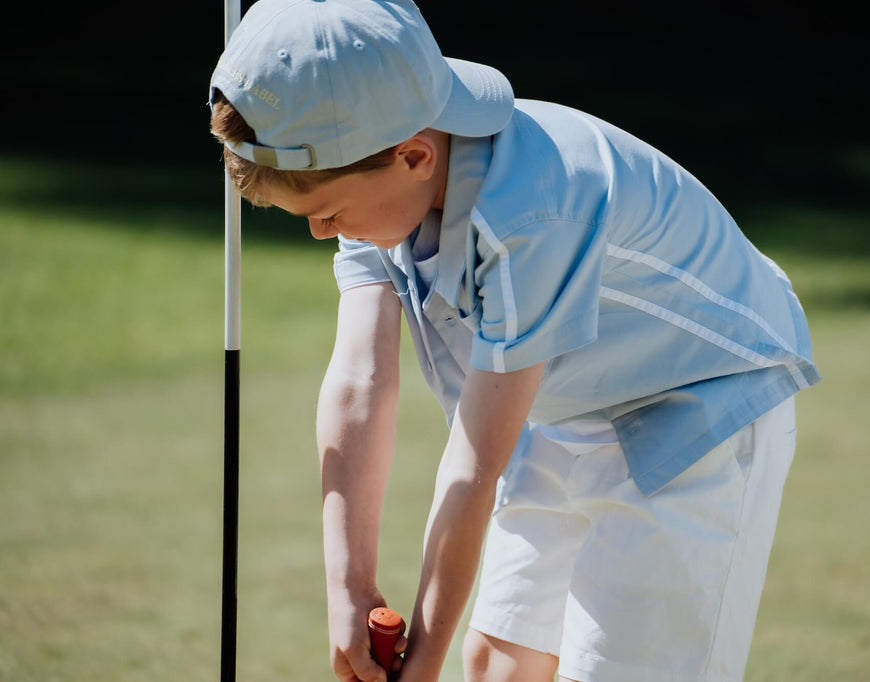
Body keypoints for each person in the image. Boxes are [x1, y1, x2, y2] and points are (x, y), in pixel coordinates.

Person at [208, 1, 822, 680]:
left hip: (700, 404)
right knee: (502, 665)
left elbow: (472, 469)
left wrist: (423, 662)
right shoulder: (380, 180)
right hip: (567, 403)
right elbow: (361, 382)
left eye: (326, 215)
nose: (322, 234)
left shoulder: (528, 213)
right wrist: (348, 589)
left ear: (414, 154)